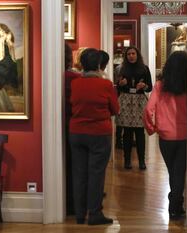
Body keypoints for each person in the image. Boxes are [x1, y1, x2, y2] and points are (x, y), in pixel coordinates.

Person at [69, 48, 119, 225]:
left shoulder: (75, 83)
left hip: (76, 132)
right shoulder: (106, 85)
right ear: (99, 65)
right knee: (96, 174)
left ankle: (80, 214)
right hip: (99, 133)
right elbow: (116, 109)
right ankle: (95, 213)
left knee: (79, 174)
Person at [143, 51, 187, 220]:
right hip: (185, 136)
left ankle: (176, 202)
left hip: (165, 137)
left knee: (173, 172)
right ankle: (175, 206)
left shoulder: (160, 86)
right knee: (179, 172)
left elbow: (148, 110)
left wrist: (152, 128)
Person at [116, 46, 152, 170]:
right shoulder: (121, 69)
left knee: (140, 133)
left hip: (139, 101)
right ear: (126, 56)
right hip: (126, 100)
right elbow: (118, 88)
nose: (131, 56)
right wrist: (120, 85)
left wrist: (144, 85)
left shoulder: (145, 69)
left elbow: (150, 87)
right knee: (127, 133)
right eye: (129, 54)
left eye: (133, 53)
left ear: (137, 55)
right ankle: (127, 161)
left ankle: (142, 161)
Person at [64, 42, 81, 215]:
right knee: (74, 166)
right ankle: (72, 203)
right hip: (73, 125)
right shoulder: (74, 78)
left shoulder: (52, 77)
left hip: (58, 125)